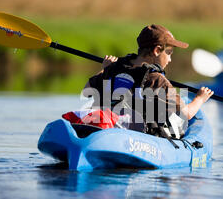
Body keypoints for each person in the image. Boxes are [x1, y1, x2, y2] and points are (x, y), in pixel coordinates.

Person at [82, 24, 213, 139]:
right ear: (157, 50)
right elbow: (186, 114)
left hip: (106, 130)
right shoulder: (158, 80)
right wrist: (200, 99)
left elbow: (86, 91)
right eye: (169, 53)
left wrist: (104, 69)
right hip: (138, 138)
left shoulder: (114, 68)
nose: (170, 59)